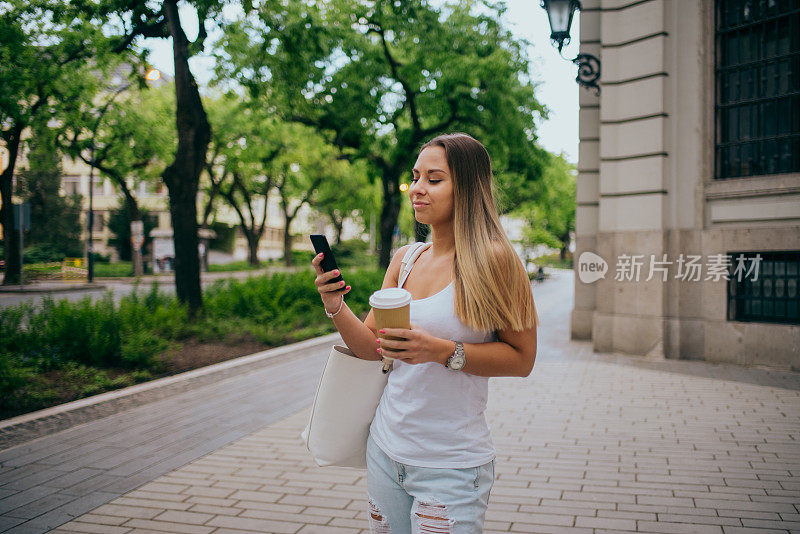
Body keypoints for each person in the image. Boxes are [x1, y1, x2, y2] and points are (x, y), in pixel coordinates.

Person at [311, 132, 538, 533]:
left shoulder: (496, 261)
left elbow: (522, 359)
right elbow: (369, 349)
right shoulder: (406, 259)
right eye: (415, 177)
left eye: (434, 179)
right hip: (385, 450)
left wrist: (441, 351)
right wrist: (335, 306)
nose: (417, 189)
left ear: (466, 187)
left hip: (452, 464)